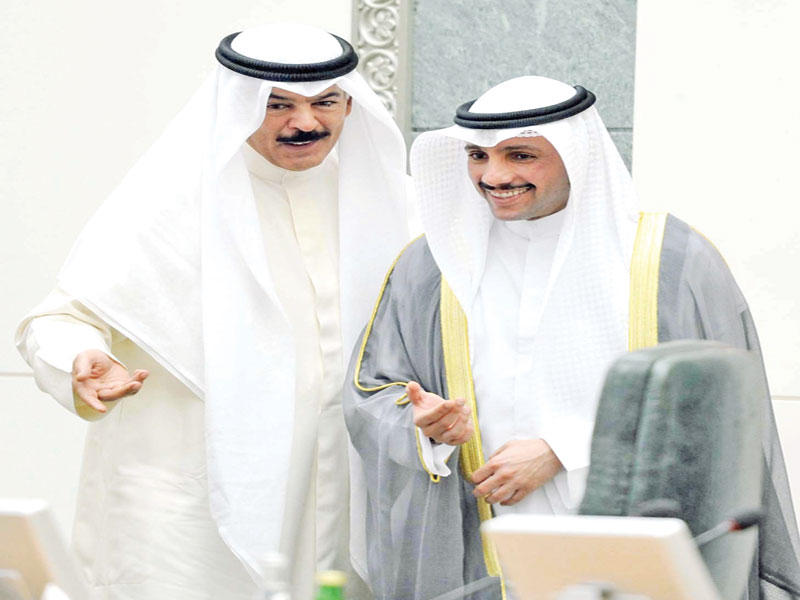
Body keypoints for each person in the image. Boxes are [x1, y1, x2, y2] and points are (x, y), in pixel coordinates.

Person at [343, 76, 800, 599]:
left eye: (520, 155)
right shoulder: (430, 264)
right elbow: (371, 390)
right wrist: (423, 426)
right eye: (478, 156)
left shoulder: (670, 260)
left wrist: (562, 451)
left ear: (576, 155)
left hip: (628, 535)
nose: (494, 176)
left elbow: (718, 411)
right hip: (477, 540)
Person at [16, 23, 411, 600]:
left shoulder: (388, 202)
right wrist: (81, 358)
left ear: (350, 104)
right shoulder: (170, 202)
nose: (305, 122)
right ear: (239, 105)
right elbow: (57, 319)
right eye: (278, 105)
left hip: (335, 492)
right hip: (190, 503)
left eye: (325, 102)